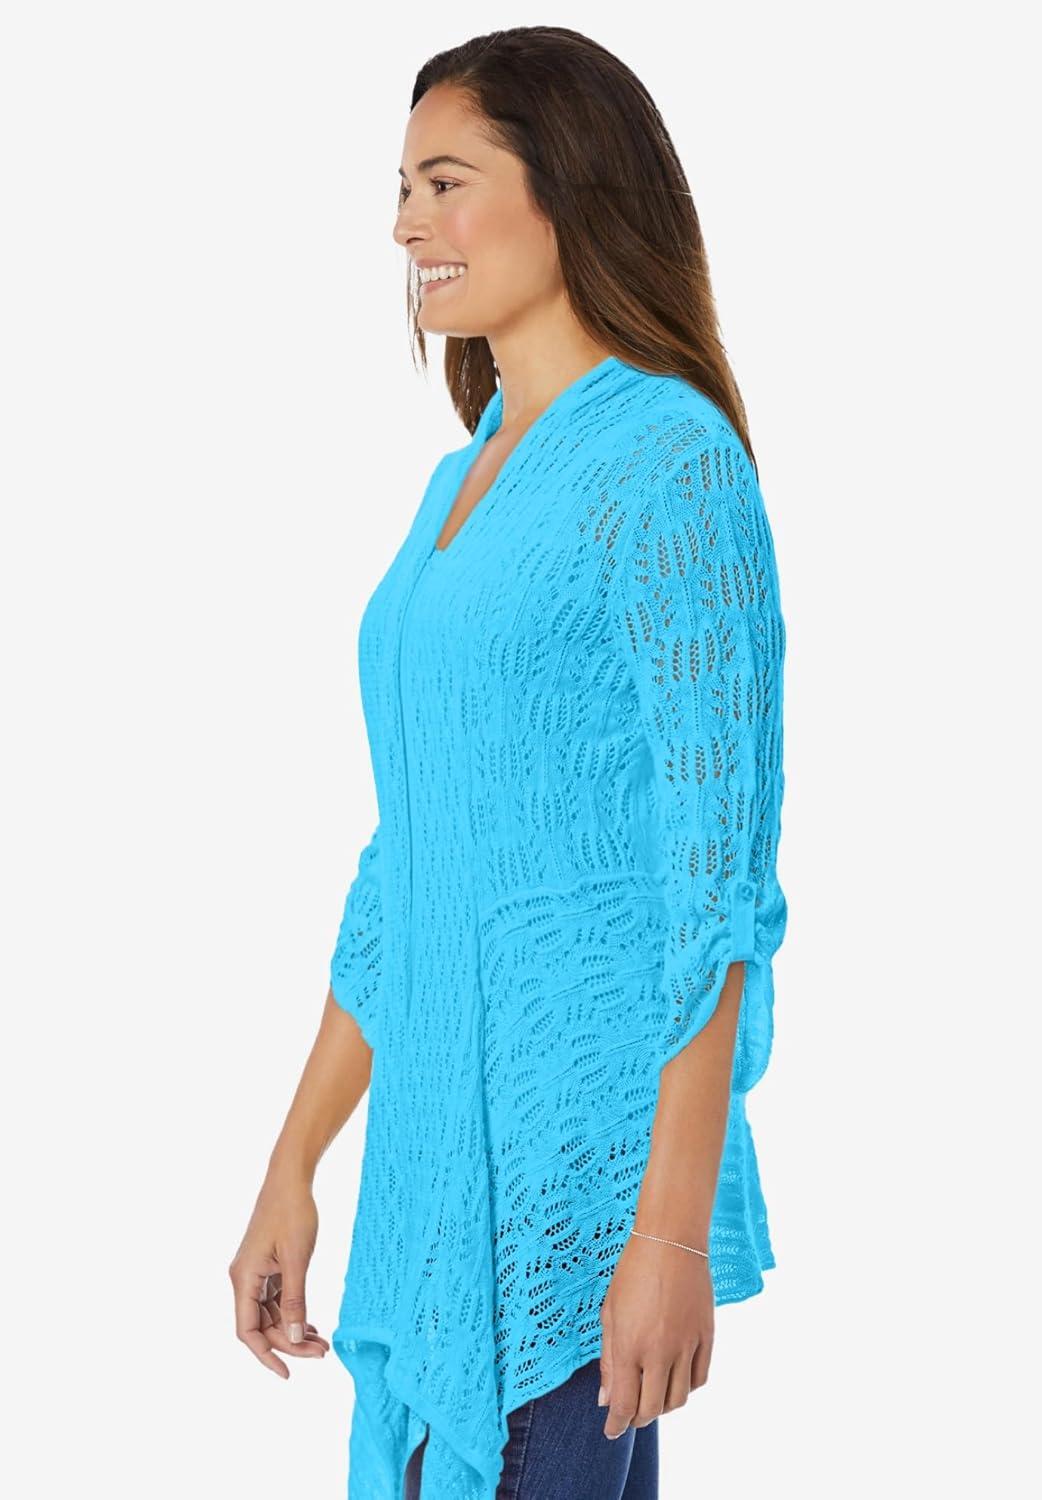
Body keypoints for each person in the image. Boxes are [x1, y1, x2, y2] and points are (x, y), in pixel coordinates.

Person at [229, 26, 789, 1500]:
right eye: (400, 189)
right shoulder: (459, 478)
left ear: (570, 187)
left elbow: (719, 884)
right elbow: (410, 861)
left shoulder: (669, 461)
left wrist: (666, 1235)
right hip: (433, 1174)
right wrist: (295, 1161)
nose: (405, 225)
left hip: (575, 1184)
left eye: (445, 182)